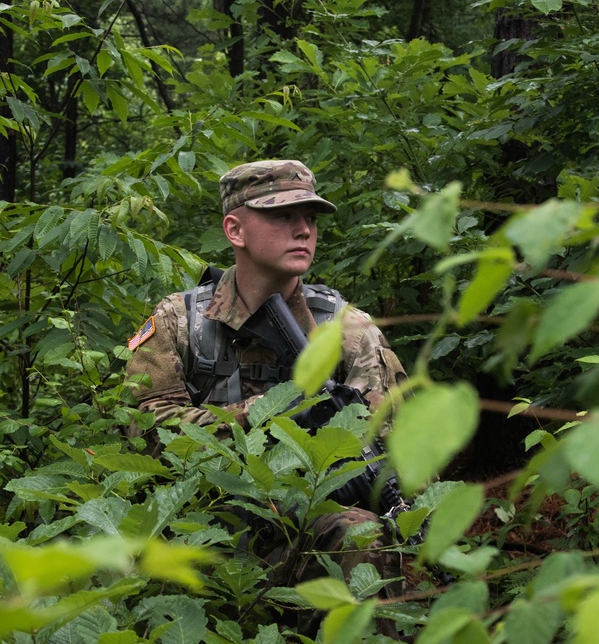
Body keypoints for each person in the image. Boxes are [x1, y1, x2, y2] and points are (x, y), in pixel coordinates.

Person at [125, 159, 410, 638]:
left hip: (313, 529)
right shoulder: (181, 321)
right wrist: (259, 415)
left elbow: (400, 444)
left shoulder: (347, 329)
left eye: (311, 218)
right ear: (235, 230)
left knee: (359, 530)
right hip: (202, 528)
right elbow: (143, 430)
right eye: (283, 216)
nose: (303, 229)